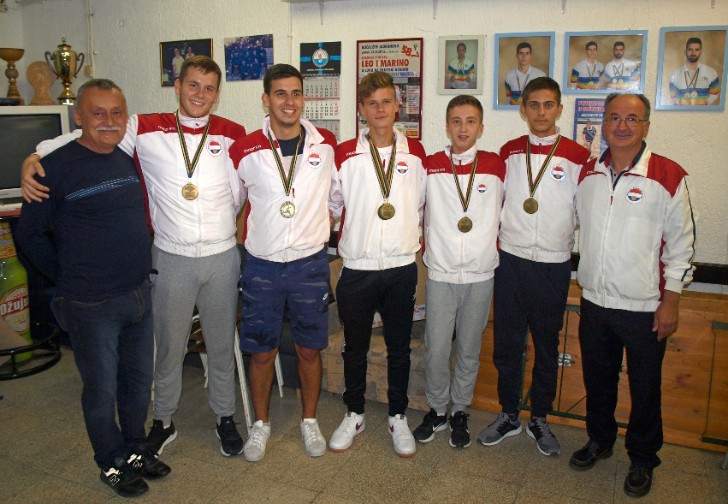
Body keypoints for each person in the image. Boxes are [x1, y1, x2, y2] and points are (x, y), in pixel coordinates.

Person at [20, 56, 248, 458]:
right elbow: (85, 141)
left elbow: (245, 188)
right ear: (177, 86)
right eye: (193, 85)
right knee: (168, 348)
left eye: (209, 88)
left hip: (222, 256)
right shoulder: (143, 127)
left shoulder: (232, 133)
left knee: (220, 344)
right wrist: (35, 157)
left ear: (217, 94)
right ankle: (163, 420)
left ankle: (225, 417)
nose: (200, 94)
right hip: (171, 256)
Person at [14, 79, 171, 498]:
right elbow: (28, 234)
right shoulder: (53, 168)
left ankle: (135, 449)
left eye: (116, 113)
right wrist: (67, 278)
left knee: (136, 383)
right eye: (97, 113)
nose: (108, 121)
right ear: (78, 116)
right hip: (90, 302)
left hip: (137, 293)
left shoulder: (125, 157)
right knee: (101, 389)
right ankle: (110, 461)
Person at [570, 93, 696, 498]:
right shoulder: (588, 173)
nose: (622, 126)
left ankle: (642, 458)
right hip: (595, 301)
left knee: (645, 388)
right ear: (603, 124)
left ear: (646, 126)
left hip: (644, 307)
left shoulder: (667, 175)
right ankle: (600, 441)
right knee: (597, 380)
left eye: (632, 118)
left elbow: (681, 245)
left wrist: (671, 299)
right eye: (614, 117)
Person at [477, 77, 590, 456]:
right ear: (523, 110)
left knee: (546, 345)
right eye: (534, 105)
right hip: (511, 262)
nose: (541, 112)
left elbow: (583, 211)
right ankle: (509, 414)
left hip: (553, 266)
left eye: (548, 105)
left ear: (560, 109)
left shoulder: (578, 156)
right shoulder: (508, 152)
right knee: (507, 345)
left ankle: (539, 417)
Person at [228, 64, 336, 462]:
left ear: (303, 98)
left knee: (309, 350)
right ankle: (261, 424)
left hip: (309, 264)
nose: (289, 102)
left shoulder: (325, 145)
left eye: (295, 93)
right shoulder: (245, 149)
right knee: (261, 352)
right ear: (266, 99)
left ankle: (310, 420)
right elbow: (232, 203)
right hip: (262, 265)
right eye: (280, 93)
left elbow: (336, 196)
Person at [328, 71, 427, 457]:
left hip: (401, 267)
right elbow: (333, 204)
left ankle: (397, 416)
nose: (380, 109)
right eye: (372, 103)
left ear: (398, 105)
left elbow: (420, 204)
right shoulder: (345, 154)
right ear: (362, 109)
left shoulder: (415, 153)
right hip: (358, 267)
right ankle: (354, 413)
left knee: (399, 348)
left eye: (387, 101)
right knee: (354, 348)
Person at [413, 95, 505, 448]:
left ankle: (460, 411)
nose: (463, 128)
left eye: (470, 121)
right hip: (441, 274)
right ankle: (438, 410)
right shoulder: (431, 165)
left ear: (481, 127)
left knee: (468, 348)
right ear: (447, 126)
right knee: (436, 349)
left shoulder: (496, 166)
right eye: (456, 121)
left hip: (481, 275)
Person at [669, 37, 720, 106]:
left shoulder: (711, 72)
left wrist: (702, 105)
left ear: (700, 51)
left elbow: (714, 93)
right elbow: (673, 96)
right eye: (690, 49)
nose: (693, 53)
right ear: (685, 51)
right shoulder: (675, 73)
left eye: (697, 50)